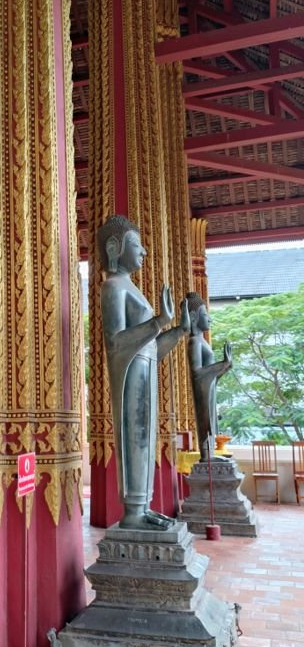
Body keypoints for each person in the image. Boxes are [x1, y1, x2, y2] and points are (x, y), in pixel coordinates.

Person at [98, 215, 190, 530]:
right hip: (129, 375)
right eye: (137, 245)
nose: (144, 252)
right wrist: (157, 322)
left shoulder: (130, 287)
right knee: (134, 437)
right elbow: (115, 342)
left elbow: (151, 348)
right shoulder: (112, 287)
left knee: (145, 439)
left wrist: (176, 331)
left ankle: (143, 507)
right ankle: (133, 511)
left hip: (144, 371)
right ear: (114, 247)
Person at [186, 292, 232, 462]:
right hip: (202, 391)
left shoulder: (202, 341)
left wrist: (224, 367)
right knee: (205, 422)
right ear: (193, 317)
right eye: (205, 315)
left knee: (211, 422)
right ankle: (206, 457)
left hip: (209, 388)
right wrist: (221, 364)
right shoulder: (194, 342)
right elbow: (197, 372)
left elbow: (210, 372)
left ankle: (210, 455)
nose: (210, 319)